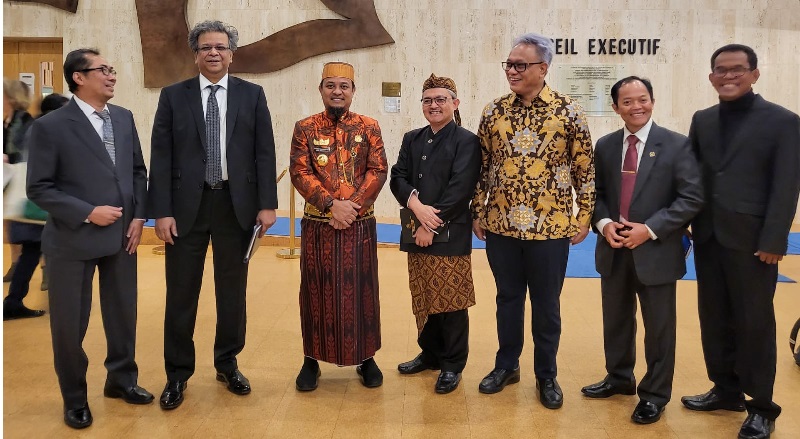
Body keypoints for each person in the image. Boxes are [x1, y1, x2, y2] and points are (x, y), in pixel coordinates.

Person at [147, 20, 278, 410]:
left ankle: (227, 363)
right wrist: (161, 212)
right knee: (181, 293)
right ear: (195, 55)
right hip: (185, 208)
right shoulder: (173, 96)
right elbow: (161, 155)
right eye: (206, 47)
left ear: (232, 54)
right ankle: (177, 374)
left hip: (235, 206)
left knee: (232, 293)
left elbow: (264, 150)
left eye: (221, 47)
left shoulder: (252, 95)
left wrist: (267, 204)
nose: (214, 53)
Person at [26, 48, 153, 429]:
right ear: (78, 77)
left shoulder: (123, 117)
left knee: (123, 314)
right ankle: (75, 398)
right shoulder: (50, 126)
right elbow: (39, 187)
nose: (112, 76)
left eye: (112, 69)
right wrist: (87, 211)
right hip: (72, 240)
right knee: (69, 324)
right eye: (103, 70)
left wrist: (139, 216)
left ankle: (121, 379)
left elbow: (137, 171)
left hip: (123, 237)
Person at [681, 44, 800, 439]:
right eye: (721, 70)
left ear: (754, 74)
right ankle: (726, 390)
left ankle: (762, 406)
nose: (728, 76)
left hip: (755, 244)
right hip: (708, 237)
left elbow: (786, 185)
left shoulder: (783, 121)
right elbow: (691, 177)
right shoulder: (702, 120)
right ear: (711, 76)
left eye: (737, 69)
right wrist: (682, 221)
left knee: (754, 323)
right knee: (714, 317)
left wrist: (775, 239)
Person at [471, 33, 595, 409]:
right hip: (501, 225)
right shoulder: (493, 111)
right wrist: (478, 210)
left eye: (520, 65)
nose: (511, 70)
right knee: (507, 299)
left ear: (543, 68)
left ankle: (546, 375)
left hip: (551, 227)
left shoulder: (569, 111)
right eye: (509, 64)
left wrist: (584, 216)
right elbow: (482, 166)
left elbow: (585, 169)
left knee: (546, 304)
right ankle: (506, 365)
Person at [581, 76, 703, 424]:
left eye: (643, 99)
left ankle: (654, 394)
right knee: (616, 320)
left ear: (652, 101)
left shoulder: (677, 144)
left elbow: (691, 198)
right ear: (616, 107)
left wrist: (648, 230)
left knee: (659, 328)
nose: (637, 106)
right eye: (628, 101)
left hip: (656, 249)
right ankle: (619, 378)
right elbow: (596, 194)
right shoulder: (605, 145)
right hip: (614, 247)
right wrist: (604, 223)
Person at [290, 62, 388, 391]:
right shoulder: (305, 128)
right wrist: (332, 205)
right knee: (315, 292)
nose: (337, 91)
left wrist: (351, 207)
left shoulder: (369, 127)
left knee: (362, 291)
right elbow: (300, 172)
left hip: (359, 225)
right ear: (320, 90)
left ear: (353, 91)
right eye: (330, 85)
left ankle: (366, 358)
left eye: (344, 86)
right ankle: (311, 360)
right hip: (319, 225)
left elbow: (378, 170)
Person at [389, 74, 481, 394]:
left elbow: (460, 188)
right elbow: (398, 177)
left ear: (455, 103)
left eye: (441, 99)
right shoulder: (412, 138)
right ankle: (430, 354)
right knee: (424, 295)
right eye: (428, 100)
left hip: (449, 232)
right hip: (415, 229)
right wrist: (415, 204)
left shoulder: (467, 141)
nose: (434, 105)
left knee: (451, 300)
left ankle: (452, 364)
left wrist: (430, 224)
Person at [3, 93, 69, 321]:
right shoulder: (47, 129)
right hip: (40, 205)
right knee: (49, 250)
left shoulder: (33, 126)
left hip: (32, 203)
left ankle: (14, 302)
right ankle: (59, 301)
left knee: (32, 254)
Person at [3, 79, 34, 283]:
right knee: (11, 222)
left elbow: (25, 150)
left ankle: (42, 266)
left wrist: (8, 156)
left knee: (27, 225)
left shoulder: (25, 120)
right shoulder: (6, 121)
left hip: (21, 177)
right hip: (7, 178)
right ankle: (15, 264)